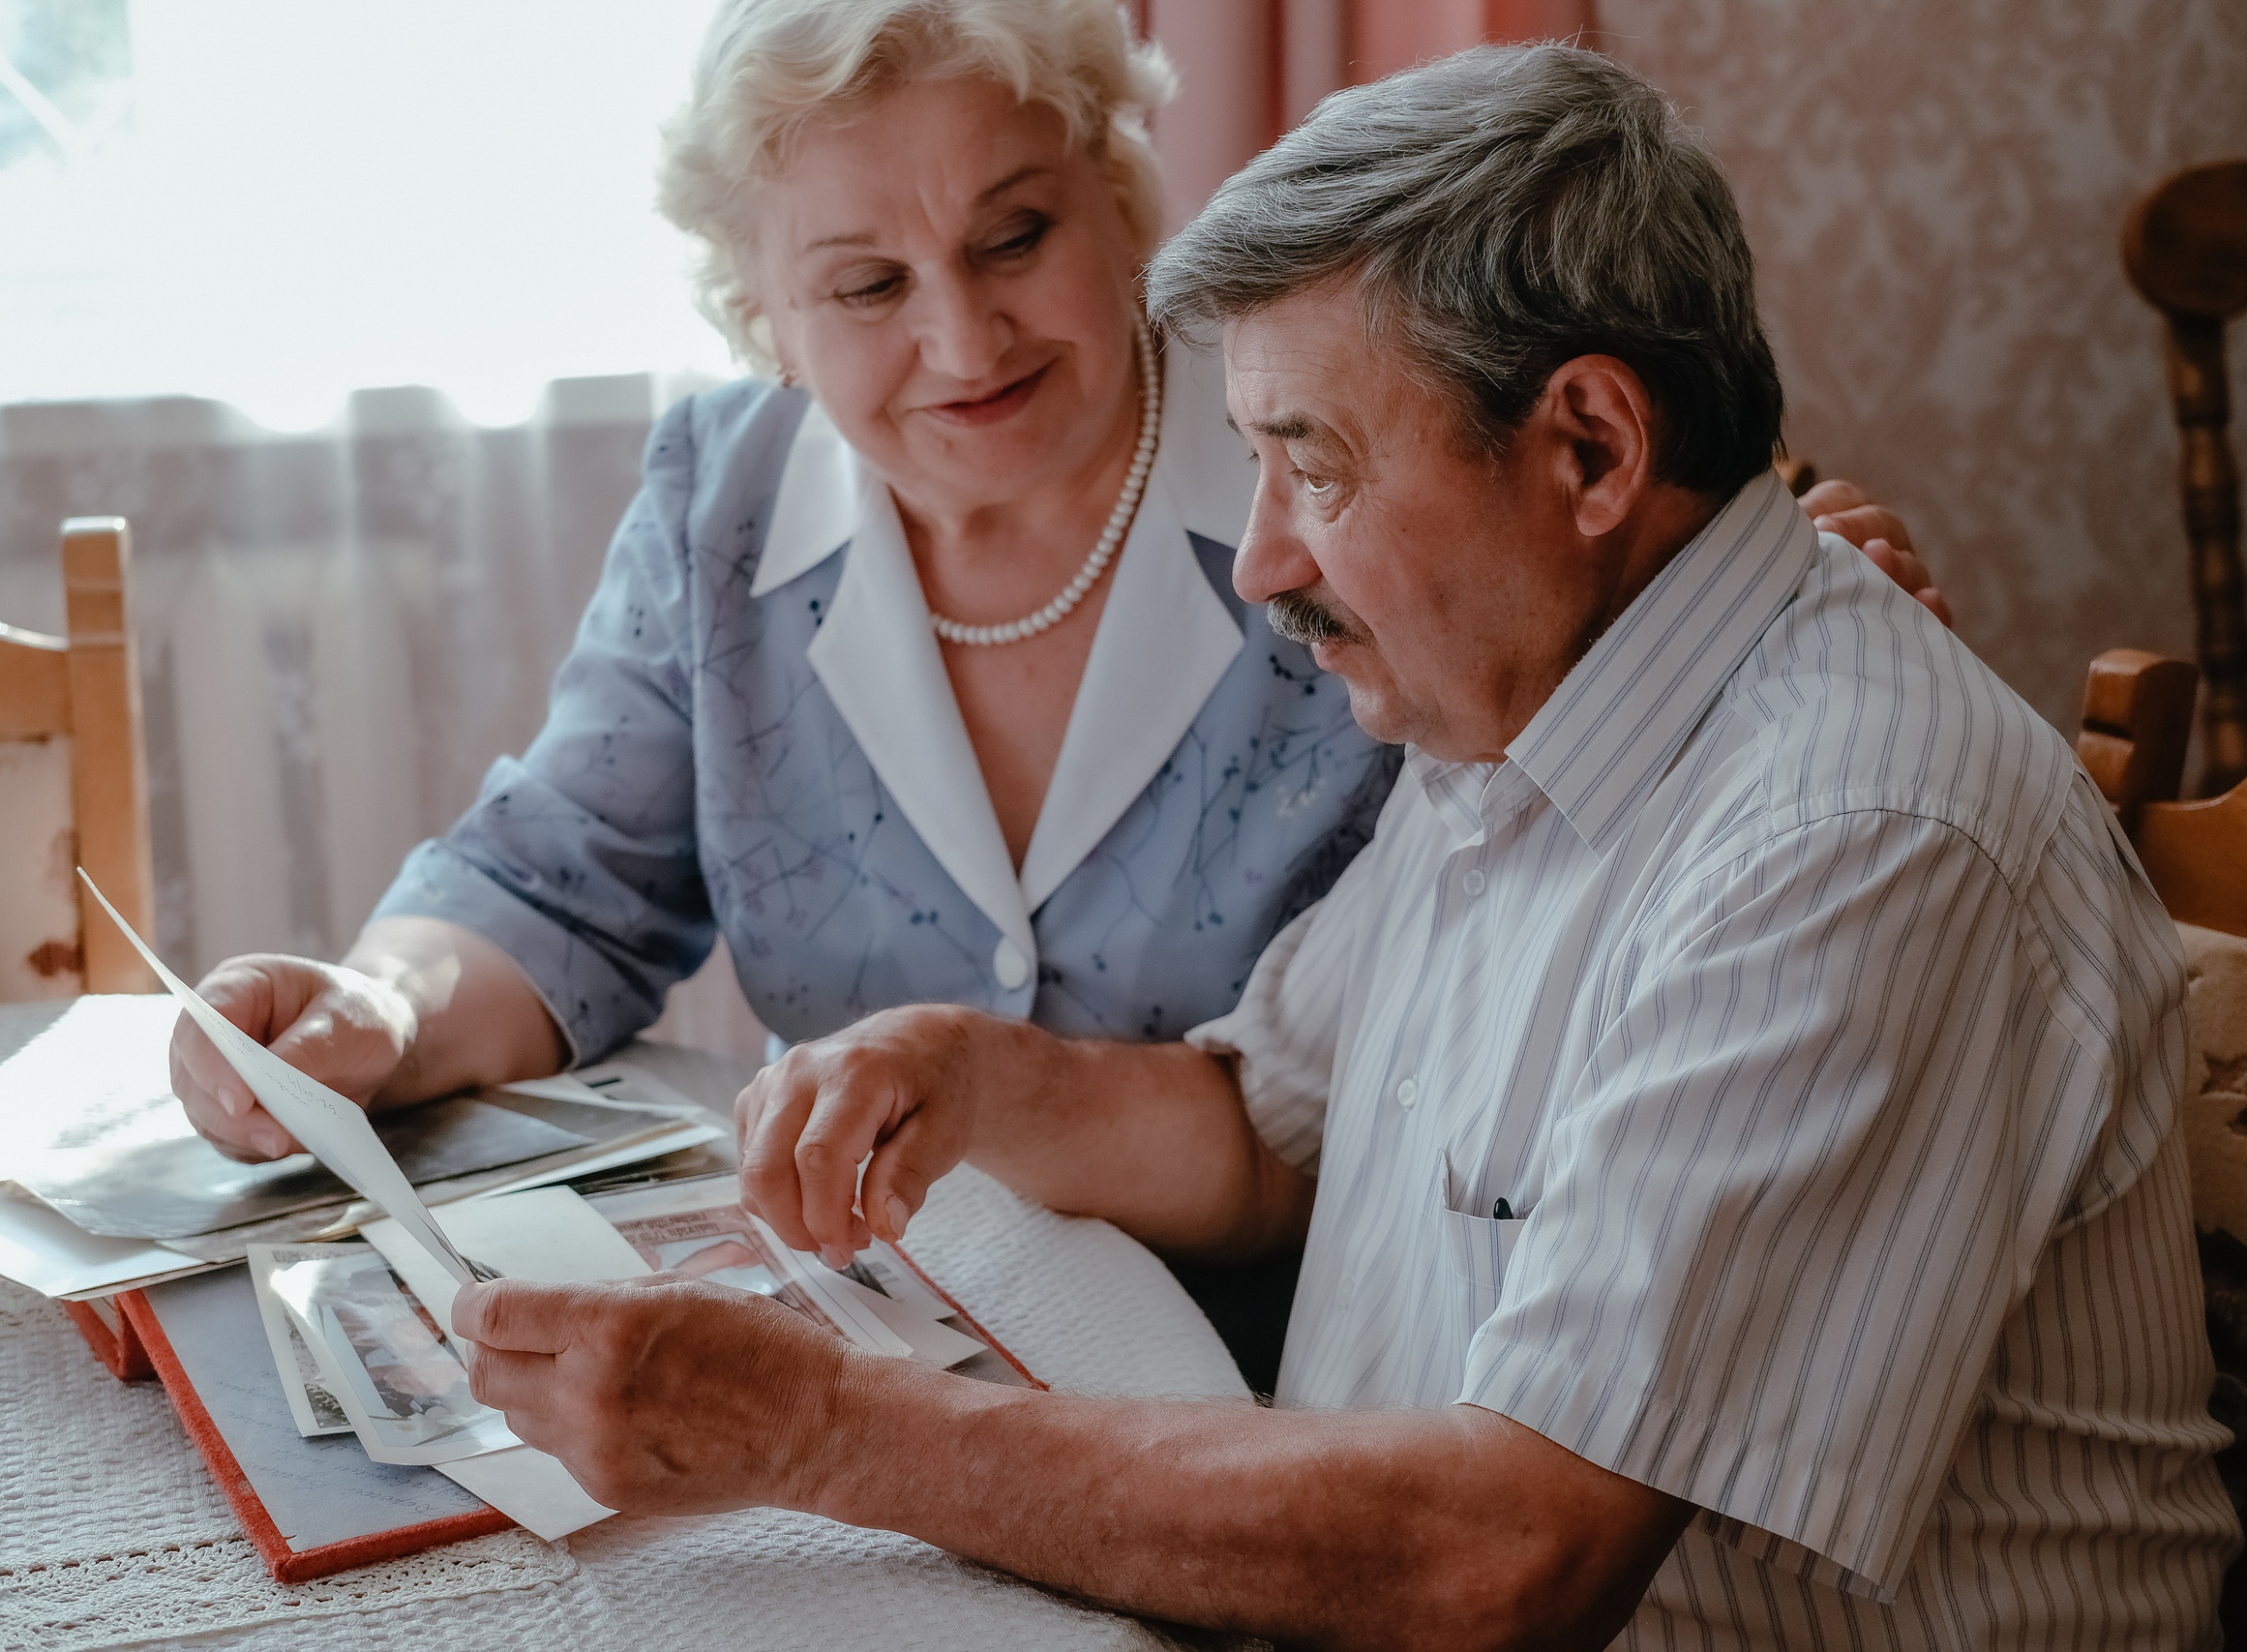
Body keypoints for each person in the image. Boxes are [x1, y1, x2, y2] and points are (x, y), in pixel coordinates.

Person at [452, 44, 2236, 1648]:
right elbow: (1265, 1132)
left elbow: (1511, 1558)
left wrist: (814, 1430)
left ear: (1592, 446)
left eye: (1313, 466)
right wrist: (964, 1075)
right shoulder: (1513, 704)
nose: (1264, 562)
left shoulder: (1852, 836)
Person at [166, 0, 1941, 1184]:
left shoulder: (1341, 474)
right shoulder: (725, 498)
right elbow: (558, 881)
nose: (964, 337)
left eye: (1014, 237)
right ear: (758, 312)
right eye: (864, 285)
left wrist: (1763, 597)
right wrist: (380, 1008)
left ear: (1120, 191)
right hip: (896, 1327)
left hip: (1313, 1346)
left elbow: (1639, 610)